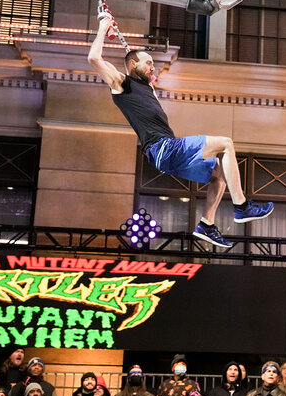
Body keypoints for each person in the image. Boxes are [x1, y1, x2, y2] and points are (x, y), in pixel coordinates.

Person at [88, 17, 274, 248]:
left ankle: (207, 224)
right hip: (163, 149)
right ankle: (241, 207)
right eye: (148, 63)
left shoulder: (146, 89)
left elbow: (147, 80)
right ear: (133, 65)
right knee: (226, 143)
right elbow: (94, 58)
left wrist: (146, 74)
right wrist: (103, 28)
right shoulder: (121, 83)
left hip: (165, 157)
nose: (153, 66)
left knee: (219, 175)